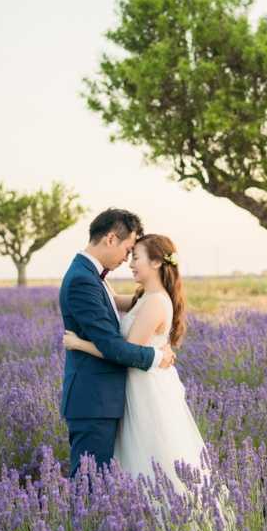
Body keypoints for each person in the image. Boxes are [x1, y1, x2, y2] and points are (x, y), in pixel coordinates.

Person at [62, 233, 211, 495]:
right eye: (129, 255)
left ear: (155, 263)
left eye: (136, 257)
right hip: (135, 383)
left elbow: (123, 350)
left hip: (145, 387)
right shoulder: (145, 297)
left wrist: (79, 344)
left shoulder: (155, 302)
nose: (130, 263)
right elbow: (113, 298)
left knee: (151, 454)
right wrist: (97, 272)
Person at [59, 209, 175, 479]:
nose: (127, 259)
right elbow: (112, 347)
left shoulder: (93, 277)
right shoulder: (83, 280)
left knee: (99, 484)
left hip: (107, 399)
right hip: (94, 401)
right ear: (111, 239)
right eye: (127, 250)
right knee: (89, 487)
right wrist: (157, 357)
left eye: (135, 255)